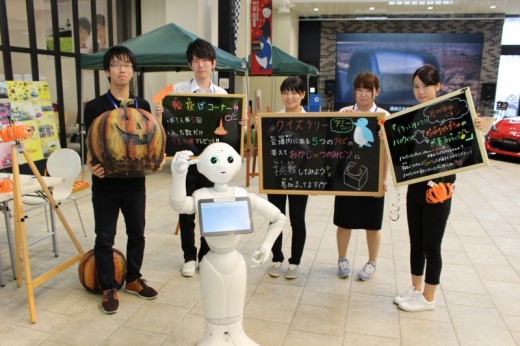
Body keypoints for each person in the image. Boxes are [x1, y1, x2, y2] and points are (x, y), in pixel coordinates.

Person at [394, 64, 482, 312]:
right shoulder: (411, 115)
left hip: (440, 188)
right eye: (416, 87)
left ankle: (429, 298)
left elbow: (467, 148)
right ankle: (415, 289)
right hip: (415, 186)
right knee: (416, 242)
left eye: (426, 86)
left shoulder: (452, 114)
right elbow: (404, 149)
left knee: (432, 245)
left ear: (438, 86)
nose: (421, 91)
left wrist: (475, 128)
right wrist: (387, 139)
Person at [84, 46, 161, 314]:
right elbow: (90, 145)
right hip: (105, 183)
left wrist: (158, 157)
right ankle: (108, 287)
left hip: (135, 182)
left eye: (127, 64)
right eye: (116, 64)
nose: (122, 69)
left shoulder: (143, 106)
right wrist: (91, 166)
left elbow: (151, 138)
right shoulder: (94, 107)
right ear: (107, 71)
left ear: (132, 70)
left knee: (137, 232)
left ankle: (132, 279)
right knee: (105, 236)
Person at [158, 38, 226, 278]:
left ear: (213, 63)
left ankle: (206, 254)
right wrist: (161, 115)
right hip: (187, 164)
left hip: (213, 166)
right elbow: (169, 127)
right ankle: (189, 257)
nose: (201, 65)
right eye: (196, 61)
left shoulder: (223, 95)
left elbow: (228, 131)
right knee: (186, 213)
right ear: (190, 64)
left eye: (205, 60)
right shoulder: (178, 92)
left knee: (211, 211)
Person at [334, 71, 389, 281]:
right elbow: (334, 147)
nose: (363, 94)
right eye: (359, 89)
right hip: (347, 177)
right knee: (344, 221)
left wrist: (382, 180)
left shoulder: (384, 117)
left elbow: (386, 155)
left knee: (373, 224)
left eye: (368, 89)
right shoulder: (344, 113)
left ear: (377, 91)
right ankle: (342, 259)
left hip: (373, 179)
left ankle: (372, 262)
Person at [264, 76, 309, 279]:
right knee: (276, 218)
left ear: (302, 95)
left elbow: (315, 153)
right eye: (285, 92)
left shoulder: (312, 121)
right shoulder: (273, 119)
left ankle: (295, 262)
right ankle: (276, 259)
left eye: (294, 92)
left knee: (297, 220)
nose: (289, 97)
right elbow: (266, 147)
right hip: (276, 176)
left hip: (302, 177)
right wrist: (260, 128)